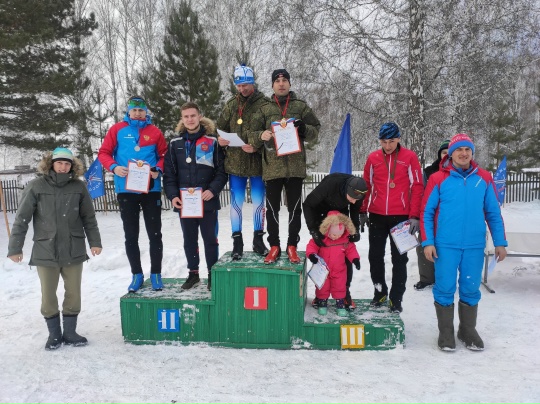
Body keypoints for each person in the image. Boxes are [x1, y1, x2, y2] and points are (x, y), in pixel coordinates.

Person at [7, 148, 102, 350]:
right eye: (59, 163)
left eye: (67, 164)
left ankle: (70, 333)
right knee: (48, 295)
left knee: (74, 293)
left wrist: (95, 242)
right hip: (45, 249)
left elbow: (88, 217)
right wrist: (15, 248)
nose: (63, 167)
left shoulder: (78, 187)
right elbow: (22, 219)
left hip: (74, 248)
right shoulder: (36, 186)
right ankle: (54, 334)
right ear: (51, 164)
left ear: (72, 166)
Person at [421, 133, 507, 351]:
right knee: (445, 287)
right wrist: (428, 241)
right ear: (451, 154)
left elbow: (493, 213)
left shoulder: (484, 178)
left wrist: (500, 242)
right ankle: (446, 332)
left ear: (472, 153)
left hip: (474, 245)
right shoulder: (438, 179)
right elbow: (426, 212)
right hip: (445, 245)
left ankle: (467, 330)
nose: (463, 153)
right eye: (459, 149)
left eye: (467, 149)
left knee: (470, 287)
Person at [250, 68, 321, 264]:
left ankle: (292, 246)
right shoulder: (264, 108)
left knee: (295, 209)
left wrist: (304, 129)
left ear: (289, 83)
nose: (281, 84)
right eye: (277, 81)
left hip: (295, 167)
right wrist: (261, 135)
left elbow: (316, 130)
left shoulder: (300, 107)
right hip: (272, 168)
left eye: (284, 80)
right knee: (272, 210)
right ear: (272, 85)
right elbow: (251, 134)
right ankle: (274, 246)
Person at [98, 96, 167, 293]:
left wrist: (158, 170)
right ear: (128, 111)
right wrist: (114, 167)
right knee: (131, 235)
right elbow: (103, 153)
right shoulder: (117, 129)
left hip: (150, 189)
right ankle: (136, 274)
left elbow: (164, 156)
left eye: (141, 110)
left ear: (146, 112)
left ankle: (156, 274)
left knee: (155, 234)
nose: (137, 113)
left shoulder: (155, 131)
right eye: (134, 110)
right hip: (126, 190)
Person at [163, 102, 228, 291]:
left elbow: (222, 171)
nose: (190, 119)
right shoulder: (175, 144)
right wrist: (173, 195)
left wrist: (212, 190)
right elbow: (169, 174)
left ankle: (212, 275)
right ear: (182, 119)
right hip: (185, 203)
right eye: (186, 116)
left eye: (193, 115)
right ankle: (193, 274)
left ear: (200, 116)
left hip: (207, 201)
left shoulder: (212, 142)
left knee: (210, 240)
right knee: (189, 240)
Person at [360, 122, 423, 313]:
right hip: (377, 215)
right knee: (375, 256)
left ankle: (396, 299)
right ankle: (379, 292)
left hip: (401, 218)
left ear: (398, 139)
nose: (387, 146)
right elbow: (366, 184)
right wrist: (362, 210)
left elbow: (417, 186)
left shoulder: (409, 157)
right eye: (384, 142)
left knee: (399, 259)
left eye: (392, 141)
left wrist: (414, 216)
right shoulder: (373, 158)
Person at [216, 64, 270, 260]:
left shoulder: (264, 104)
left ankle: (258, 240)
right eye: (239, 86)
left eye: (245, 85)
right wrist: (220, 140)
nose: (242, 89)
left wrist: (257, 146)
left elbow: (270, 134)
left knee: (258, 203)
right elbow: (219, 128)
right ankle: (237, 242)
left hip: (257, 164)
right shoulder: (231, 104)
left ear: (252, 83)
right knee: (236, 203)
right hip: (235, 164)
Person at [303, 173, 367, 309]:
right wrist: (313, 230)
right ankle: (321, 293)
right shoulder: (330, 185)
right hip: (320, 213)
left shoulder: (358, 193)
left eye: (357, 199)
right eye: (352, 198)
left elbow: (354, 210)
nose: (354, 201)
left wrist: (355, 230)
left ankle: (345, 293)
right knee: (322, 254)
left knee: (343, 255)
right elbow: (307, 204)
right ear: (347, 190)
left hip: (340, 214)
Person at [306, 211, 361, 317]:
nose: (336, 237)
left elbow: (351, 250)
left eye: (339, 234)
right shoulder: (322, 239)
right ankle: (322, 303)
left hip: (339, 270)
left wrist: (355, 259)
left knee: (339, 287)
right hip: (323, 270)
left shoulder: (344, 240)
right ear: (328, 230)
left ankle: (340, 304)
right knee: (322, 287)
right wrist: (312, 255)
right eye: (334, 234)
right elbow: (312, 246)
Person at [414, 139, 450, 291]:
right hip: (428, 215)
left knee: (446, 249)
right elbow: (420, 193)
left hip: (447, 217)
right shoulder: (429, 172)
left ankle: (444, 278)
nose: (446, 155)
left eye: (449, 152)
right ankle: (426, 279)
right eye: (444, 152)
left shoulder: (459, 172)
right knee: (424, 246)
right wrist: (417, 216)